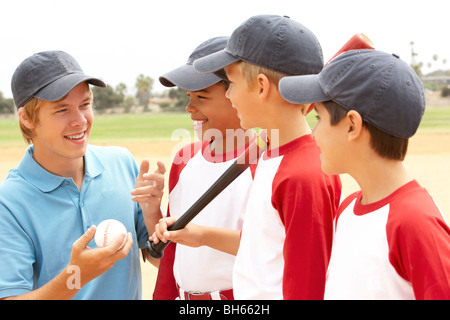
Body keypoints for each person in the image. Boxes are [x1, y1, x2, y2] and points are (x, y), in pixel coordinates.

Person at [153, 15, 342, 299]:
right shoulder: (271, 155)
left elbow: (308, 286)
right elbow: (265, 244)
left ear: (262, 87)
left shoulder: (304, 174)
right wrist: (202, 235)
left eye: (231, 83)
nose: (229, 94)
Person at [279, 49, 450, 299]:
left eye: (319, 118)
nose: (313, 133)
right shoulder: (348, 208)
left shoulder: (415, 222)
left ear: (352, 126)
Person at [0, 51, 164, 300]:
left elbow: (159, 261)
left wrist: (153, 213)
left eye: (85, 105)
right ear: (27, 119)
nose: (80, 121)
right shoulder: (9, 203)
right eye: (62, 109)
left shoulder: (122, 163)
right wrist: (76, 276)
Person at [152, 36, 258, 300]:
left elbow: (272, 250)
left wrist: (204, 236)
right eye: (189, 96)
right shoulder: (185, 159)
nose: (190, 108)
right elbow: (172, 251)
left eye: (201, 96)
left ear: (238, 93)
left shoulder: (266, 164)